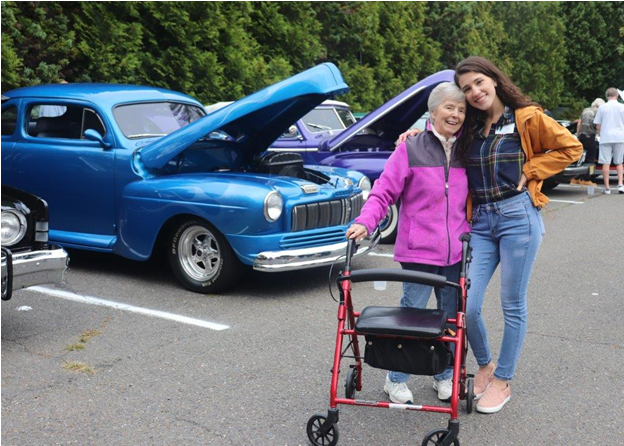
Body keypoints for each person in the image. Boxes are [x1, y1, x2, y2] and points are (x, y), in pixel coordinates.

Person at [398, 56, 582, 413]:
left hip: (517, 217)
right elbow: (441, 130)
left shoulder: (525, 116)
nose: (474, 92)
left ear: (494, 80)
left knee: (512, 303)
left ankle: (504, 380)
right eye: (467, 88)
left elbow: (571, 147)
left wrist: (532, 169)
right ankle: (485, 365)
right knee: (469, 302)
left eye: (479, 83)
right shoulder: (472, 125)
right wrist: (417, 133)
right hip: (480, 221)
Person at [346, 82, 470, 404]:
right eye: (449, 108)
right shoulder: (410, 148)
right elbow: (384, 191)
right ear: (432, 112)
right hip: (418, 252)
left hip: (455, 252)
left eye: (461, 109)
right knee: (412, 315)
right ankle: (395, 379)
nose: (455, 115)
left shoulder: (467, 151)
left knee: (449, 316)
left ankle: (443, 375)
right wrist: (365, 221)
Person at [593, 87, 624, 194]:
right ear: (617, 95)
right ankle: (620, 184)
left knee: (605, 162)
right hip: (620, 137)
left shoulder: (602, 108)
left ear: (606, 96)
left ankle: (607, 187)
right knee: (619, 162)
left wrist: (599, 133)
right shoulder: (622, 107)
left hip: (606, 137)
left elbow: (598, 125)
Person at [571, 98, 604, 186]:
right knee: (591, 159)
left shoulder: (585, 110)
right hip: (591, 136)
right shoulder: (598, 112)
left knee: (580, 157)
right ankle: (586, 179)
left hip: (582, 135)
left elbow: (579, 123)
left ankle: (575, 178)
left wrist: (578, 135)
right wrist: (600, 134)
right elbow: (597, 126)